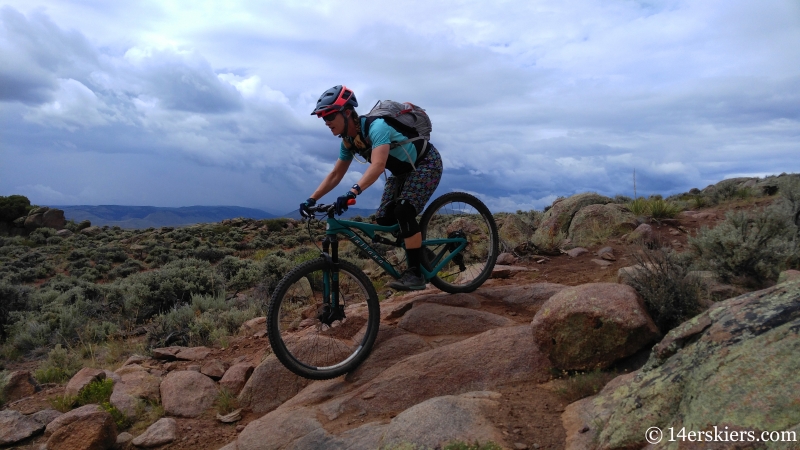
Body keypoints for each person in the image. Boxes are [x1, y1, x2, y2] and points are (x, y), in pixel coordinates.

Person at [300, 85, 443, 291]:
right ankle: (421, 253)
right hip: (401, 173)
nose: (327, 122)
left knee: (403, 209)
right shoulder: (348, 141)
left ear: (347, 112)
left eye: (330, 115)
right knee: (385, 218)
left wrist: (353, 192)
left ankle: (415, 274)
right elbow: (336, 174)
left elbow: (378, 165)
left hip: (425, 164)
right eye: (323, 118)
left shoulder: (377, 127)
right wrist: (311, 199)